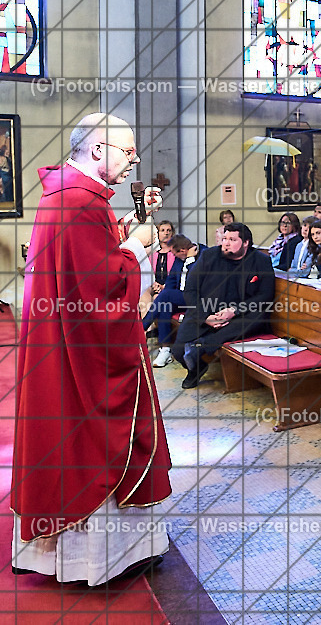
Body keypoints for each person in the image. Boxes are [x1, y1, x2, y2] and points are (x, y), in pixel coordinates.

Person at [13, 113, 172, 585]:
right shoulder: (79, 201)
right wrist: (141, 245)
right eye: (128, 151)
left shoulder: (68, 194)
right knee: (94, 439)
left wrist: (129, 223)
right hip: (83, 354)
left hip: (61, 346)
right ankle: (100, 559)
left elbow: (87, 258)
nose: (135, 160)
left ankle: (80, 552)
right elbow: (99, 290)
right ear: (98, 149)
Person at [172, 222, 276, 389]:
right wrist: (206, 317)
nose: (226, 243)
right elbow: (190, 290)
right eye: (224, 238)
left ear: (246, 242)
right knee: (178, 352)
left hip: (239, 315)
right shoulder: (209, 256)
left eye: (232, 239)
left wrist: (234, 310)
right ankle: (196, 369)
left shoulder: (261, 261)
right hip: (207, 310)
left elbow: (265, 295)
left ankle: (204, 345)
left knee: (259, 315)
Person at [146, 235, 207, 367]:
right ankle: (165, 350)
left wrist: (190, 260)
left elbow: (198, 282)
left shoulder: (204, 255)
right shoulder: (179, 259)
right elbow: (171, 280)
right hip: (181, 298)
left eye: (175, 254)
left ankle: (142, 326)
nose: (174, 256)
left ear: (183, 250)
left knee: (166, 296)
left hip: (198, 299)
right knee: (164, 306)